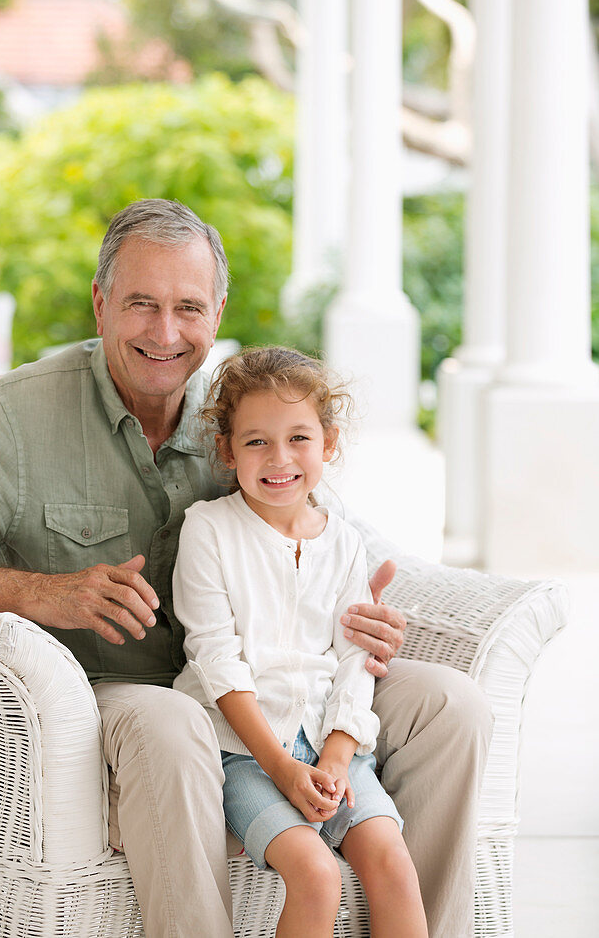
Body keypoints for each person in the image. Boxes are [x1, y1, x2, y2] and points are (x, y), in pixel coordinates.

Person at [0, 199, 492, 938]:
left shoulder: (239, 415)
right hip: (116, 693)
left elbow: (321, 532)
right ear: (101, 304)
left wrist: (363, 615)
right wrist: (40, 595)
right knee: (172, 723)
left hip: (272, 678)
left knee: (455, 705)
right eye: (142, 305)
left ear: (217, 311)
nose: (166, 334)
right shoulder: (22, 418)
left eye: (189, 308)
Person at [173, 347, 428, 937]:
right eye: (257, 441)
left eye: (299, 438)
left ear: (328, 443)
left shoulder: (344, 544)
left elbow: (354, 661)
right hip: (245, 753)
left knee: (391, 860)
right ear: (227, 449)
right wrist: (284, 769)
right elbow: (215, 660)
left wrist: (336, 760)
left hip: (331, 745)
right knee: (316, 875)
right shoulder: (208, 530)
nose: (279, 458)